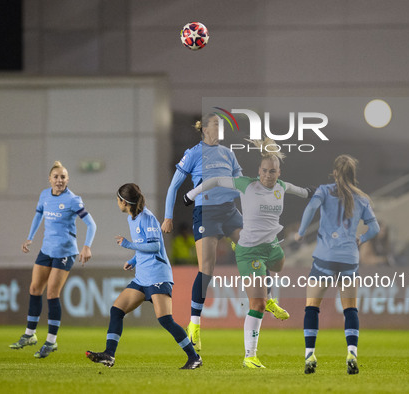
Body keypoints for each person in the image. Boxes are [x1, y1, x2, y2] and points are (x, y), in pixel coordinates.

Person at [184, 138, 315, 368]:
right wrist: (192, 194)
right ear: (258, 170)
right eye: (264, 171)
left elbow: (302, 191)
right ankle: (250, 356)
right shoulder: (246, 184)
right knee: (258, 305)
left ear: (278, 172)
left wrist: (316, 193)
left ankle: (270, 297)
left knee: (278, 266)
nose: (267, 175)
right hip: (250, 252)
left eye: (272, 171)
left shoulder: (281, 187)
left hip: (271, 248)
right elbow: (215, 180)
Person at [162, 114, 285, 352]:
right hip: (206, 213)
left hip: (230, 211)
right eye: (217, 124)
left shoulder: (228, 153)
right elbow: (174, 185)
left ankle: (268, 298)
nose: (221, 128)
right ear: (205, 128)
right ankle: (194, 325)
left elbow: (239, 183)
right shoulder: (193, 153)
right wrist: (168, 216)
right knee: (206, 268)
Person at [86, 183, 202, 369]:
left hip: (157, 276)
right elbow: (144, 245)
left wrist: (128, 245)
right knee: (116, 310)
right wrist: (134, 260)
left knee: (165, 320)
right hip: (142, 277)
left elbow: (155, 246)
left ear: (124, 201)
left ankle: (194, 357)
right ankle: (109, 354)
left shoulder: (147, 218)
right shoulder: (132, 218)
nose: (117, 203)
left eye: (118, 200)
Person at [294, 154, 379, 375]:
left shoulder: (324, 190)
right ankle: (352, 352)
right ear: (354, 176)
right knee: (350, 309)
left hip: (325, 257)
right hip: (349, 259)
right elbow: (375, 229)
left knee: (312, 307)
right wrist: (362, 239)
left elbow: (310, 209)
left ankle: (310, 354)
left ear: (334, 173)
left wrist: (301, 232)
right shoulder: (362, 198)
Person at [10, 161, 97, 358]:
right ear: (50, 179)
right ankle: (30, 335)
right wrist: (30, 238)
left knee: (52, 293)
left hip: (65, 252)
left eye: (63, 177)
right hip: (46, 250)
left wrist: (86, 246)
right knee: (34, 289)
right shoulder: (44, 195)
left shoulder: (73, 200)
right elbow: (38, 215)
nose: (59, 180)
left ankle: (51, 341)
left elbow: (92, 225)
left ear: (67, 180)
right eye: (56, 177)